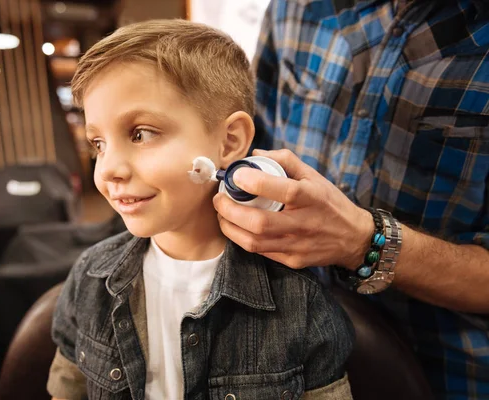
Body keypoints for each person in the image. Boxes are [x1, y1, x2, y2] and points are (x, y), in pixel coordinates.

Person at [46, 19, 355, 400]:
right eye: (98, 143)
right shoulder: (89, 281)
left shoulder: (298, 301)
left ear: (228, 142)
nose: (108, 169)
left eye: (140, 134)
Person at [213, 1, 489, 399]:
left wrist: (364, 243)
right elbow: (256, 144)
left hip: (450, 374)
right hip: (286, 361)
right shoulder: (296, 7)